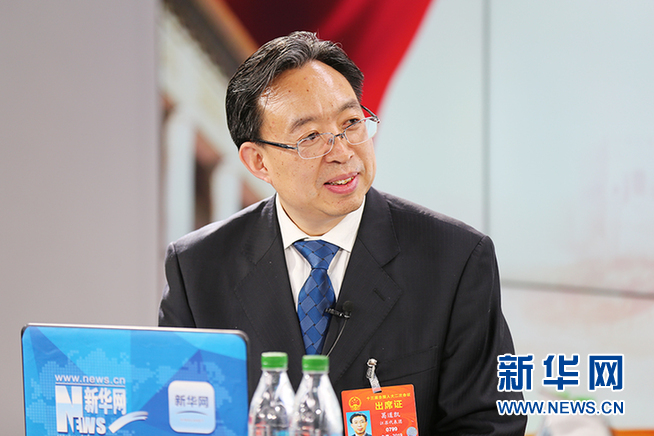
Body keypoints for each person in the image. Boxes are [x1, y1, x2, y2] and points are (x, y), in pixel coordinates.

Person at [159, 31, 526, 435]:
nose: (342, 151)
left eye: (351, 123)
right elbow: (177, 418)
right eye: (310, 137)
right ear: (259, 161)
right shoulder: (197, 268)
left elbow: (489, 424)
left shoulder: (455, 259)